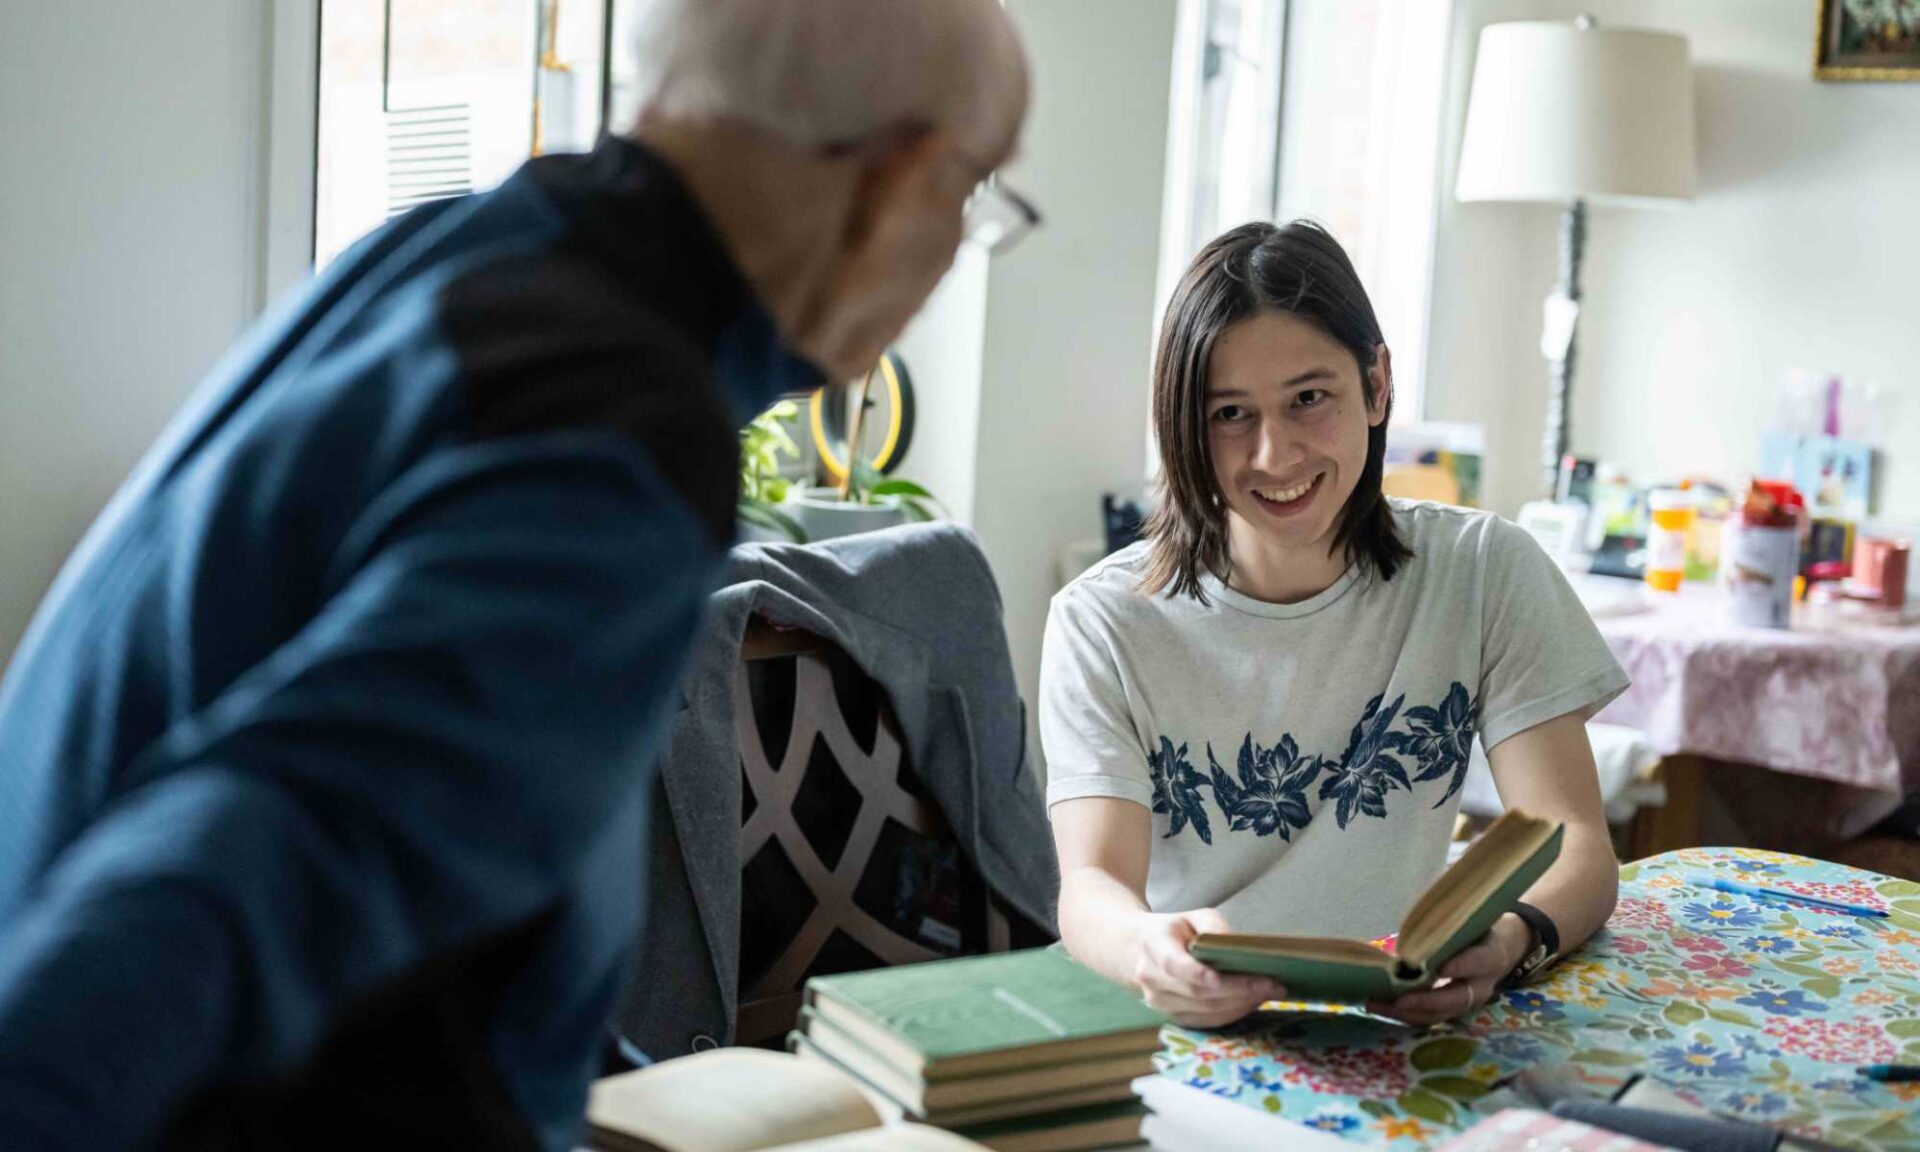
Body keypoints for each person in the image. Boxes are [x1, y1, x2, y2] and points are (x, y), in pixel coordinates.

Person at [0, 1, 1030, 1147]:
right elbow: (244, 859)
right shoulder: (618, 418)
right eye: (981, 198)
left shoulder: (468, 245)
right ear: (910, 184)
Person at [1042, 221, 1625, 1031]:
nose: (1275, 455)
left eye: (1309, 399)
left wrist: (1507, 941)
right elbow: (1091, 887)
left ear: (1377, 385)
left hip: (1402, 1022)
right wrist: (1152, 951)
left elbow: (1575, 843)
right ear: (1183, 425)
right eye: (1230, 414)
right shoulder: (1103, 622)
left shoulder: (1486, 571)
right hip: (1188, 1027)